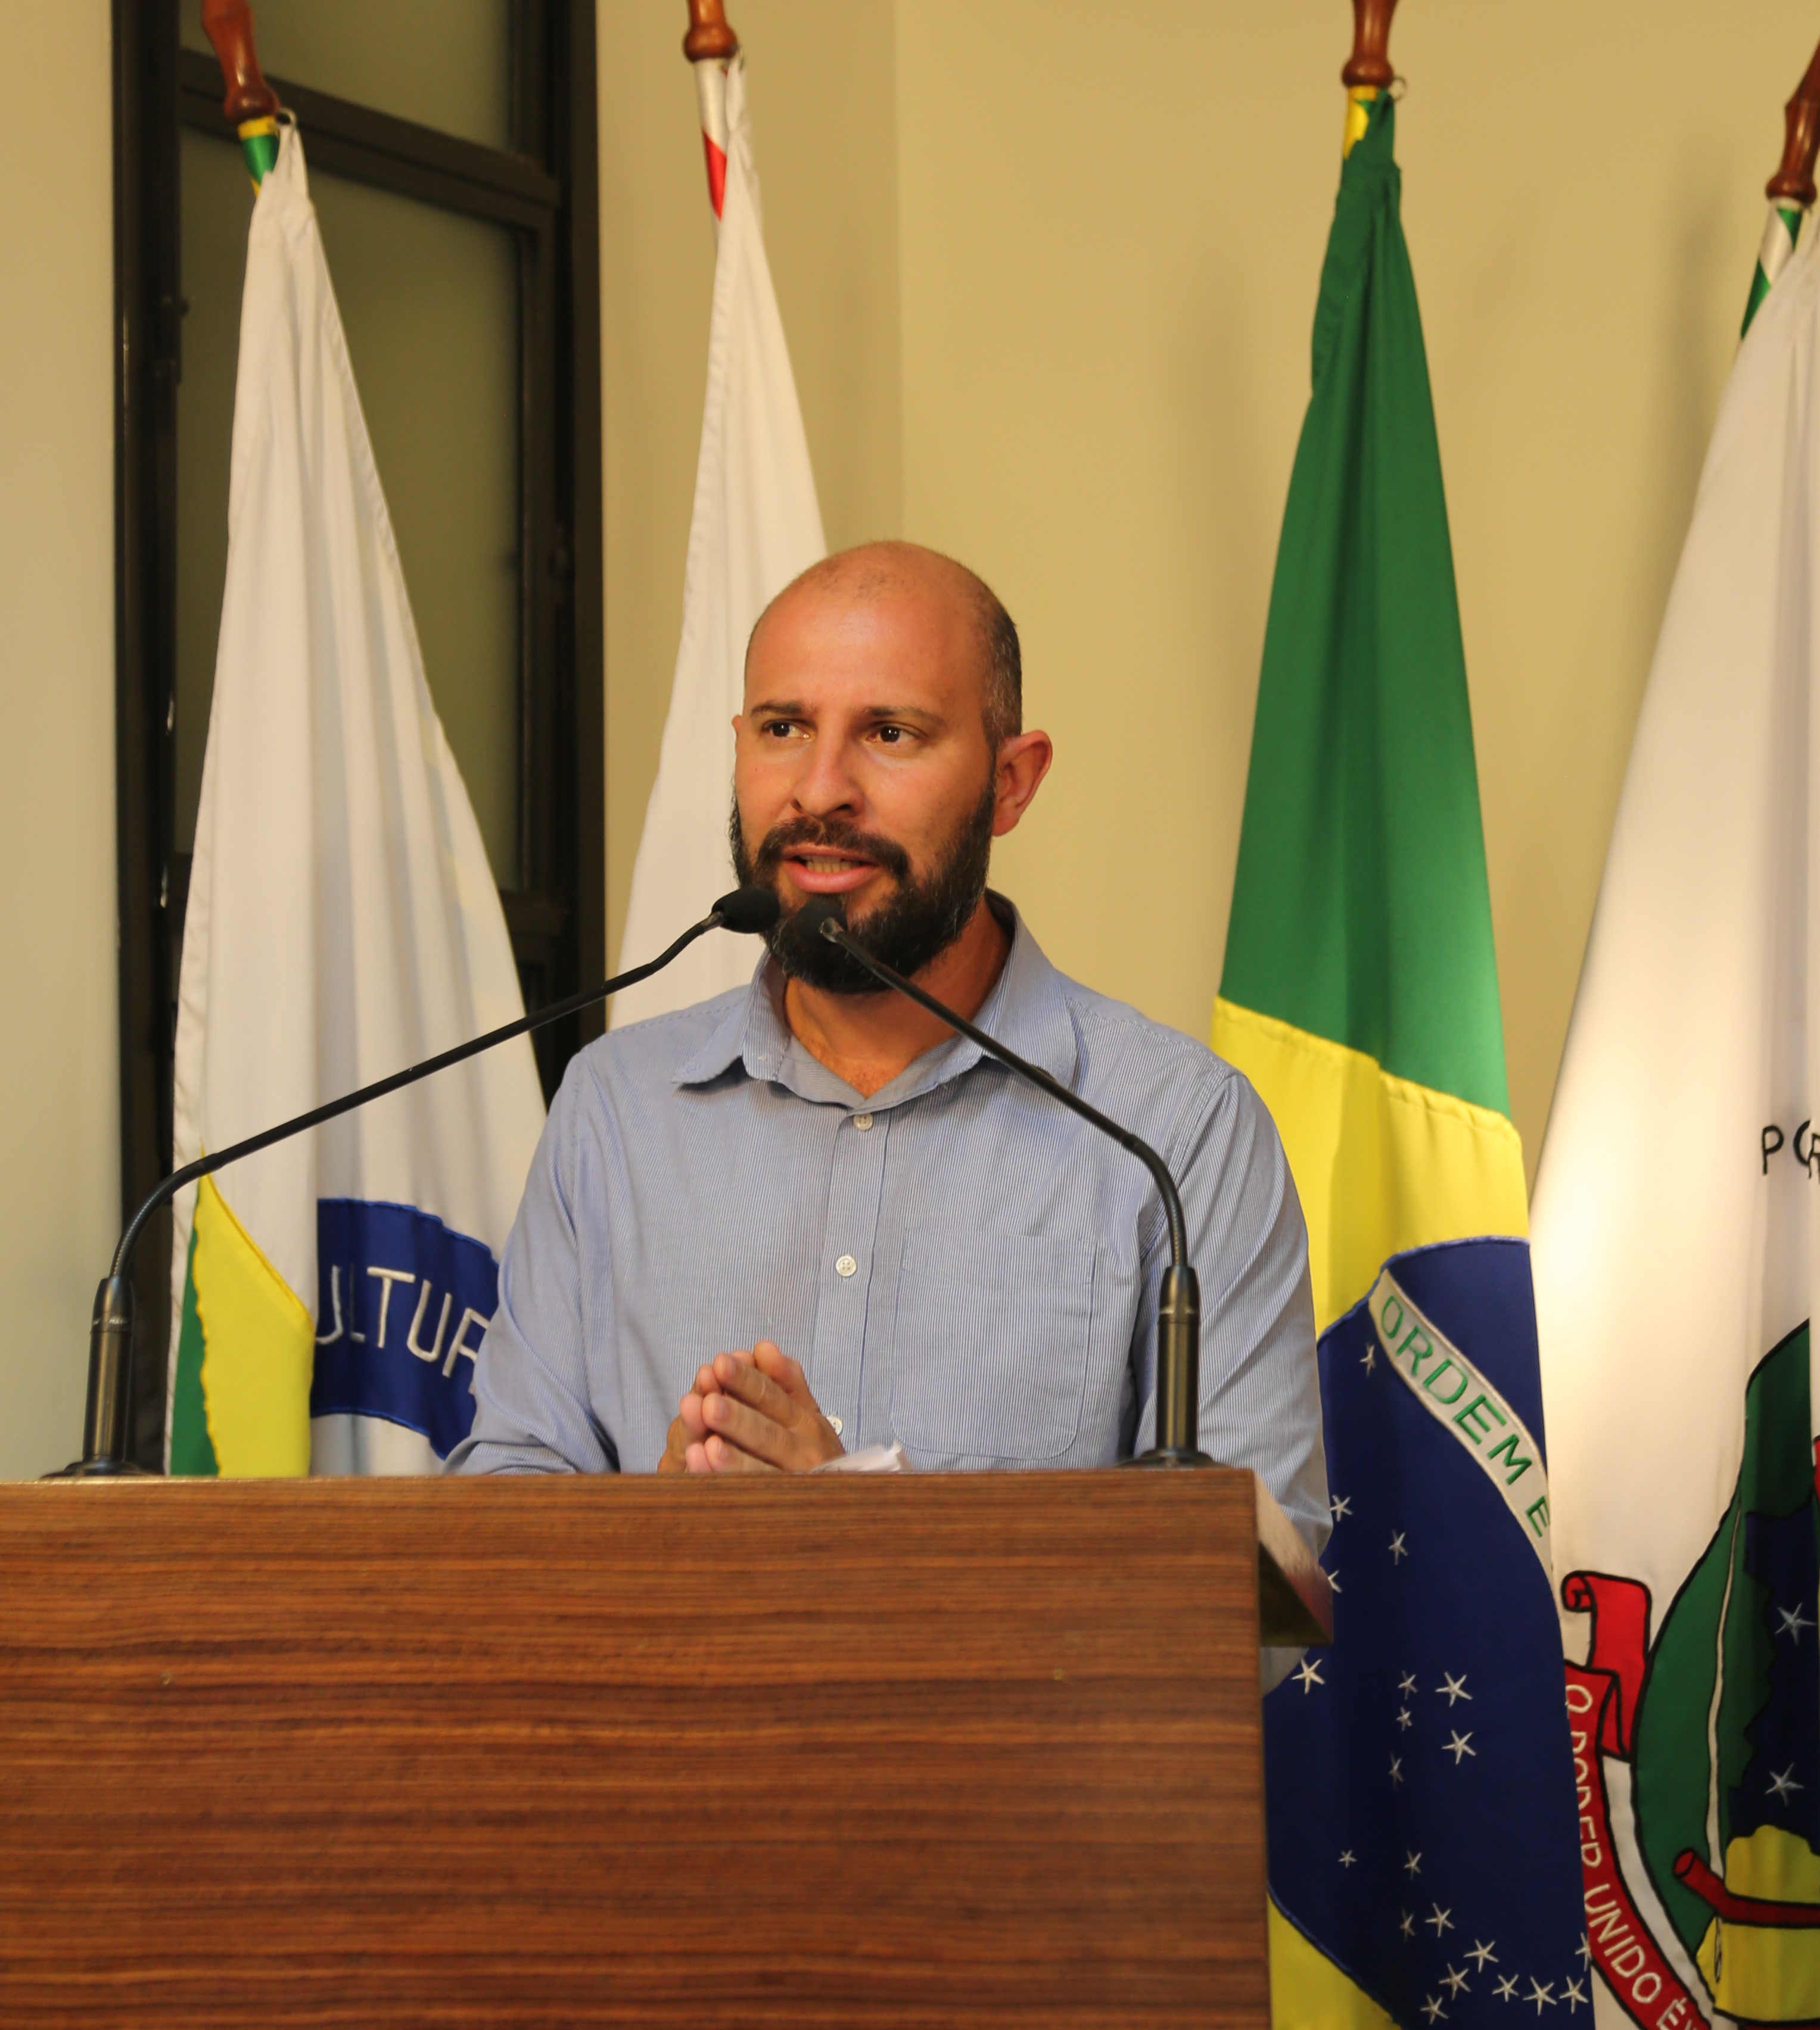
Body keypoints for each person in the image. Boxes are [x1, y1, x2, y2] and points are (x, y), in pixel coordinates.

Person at [447, 541, 1327, 1553]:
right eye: (783, 729)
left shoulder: (1179, 1133)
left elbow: (1249, 1601)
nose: (821, 791)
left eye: (891, 734)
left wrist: (866, 1527)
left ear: (1011, 782)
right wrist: (662, 1527)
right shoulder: (615, 1106)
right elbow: (500, 1526)